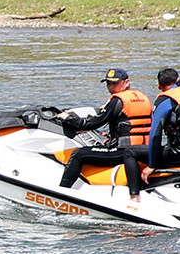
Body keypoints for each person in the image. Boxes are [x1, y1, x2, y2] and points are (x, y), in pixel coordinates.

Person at [58, 68, 152, 202]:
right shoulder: (143, 98)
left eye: (115, 83)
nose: (111, 87)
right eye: (108, 83)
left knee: (79, 154)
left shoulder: (117, 101)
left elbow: (90, 124)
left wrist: (68, 118)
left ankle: (62, 193)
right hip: (143, 150)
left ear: (126, 82)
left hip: (122, 151)